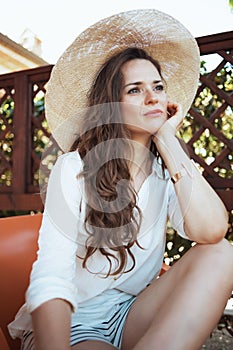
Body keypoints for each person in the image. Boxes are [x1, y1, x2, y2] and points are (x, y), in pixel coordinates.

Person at [8, 9, 233, 350]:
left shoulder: (163, 171)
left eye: (158, 87)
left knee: (221, 254)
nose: (152, 97)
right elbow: (51, 277)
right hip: (74, 322)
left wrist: (168, 140)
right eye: (135, 90)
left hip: (131, 312)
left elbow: (213, 230)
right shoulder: (74, 168)